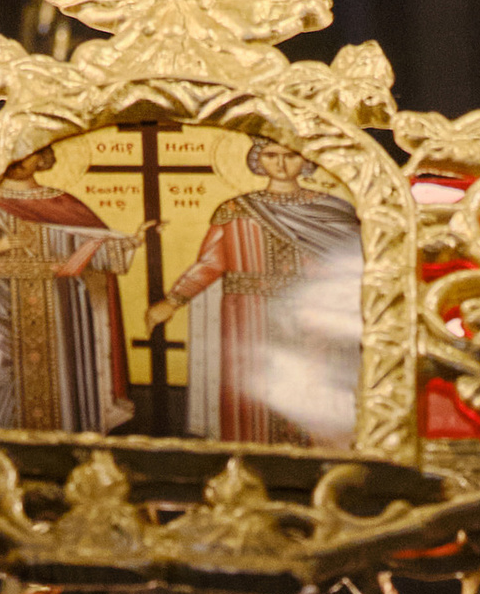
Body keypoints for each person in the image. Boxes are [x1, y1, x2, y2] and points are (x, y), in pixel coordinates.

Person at [145, 139, 363, 448]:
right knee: (249, 386)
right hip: (248, 314)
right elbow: (210, 262)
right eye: (272, 156)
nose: (281, 164)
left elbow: (350, 264)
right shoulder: (236, 209)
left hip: (310, 315)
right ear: (259, 161)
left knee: (312, 385)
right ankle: (248, 456)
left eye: (291, 156)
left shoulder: (332, 210)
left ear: (306, 161)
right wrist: (173, 300)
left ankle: (317, 458)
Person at [0, 165, 143, 432]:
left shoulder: (62, 203)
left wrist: (128, 243)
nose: (21, 160)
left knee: (64, 379)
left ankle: (65, 445)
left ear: (42, 158)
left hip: (61, 307)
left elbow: (93, 248)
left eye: (30, 153)